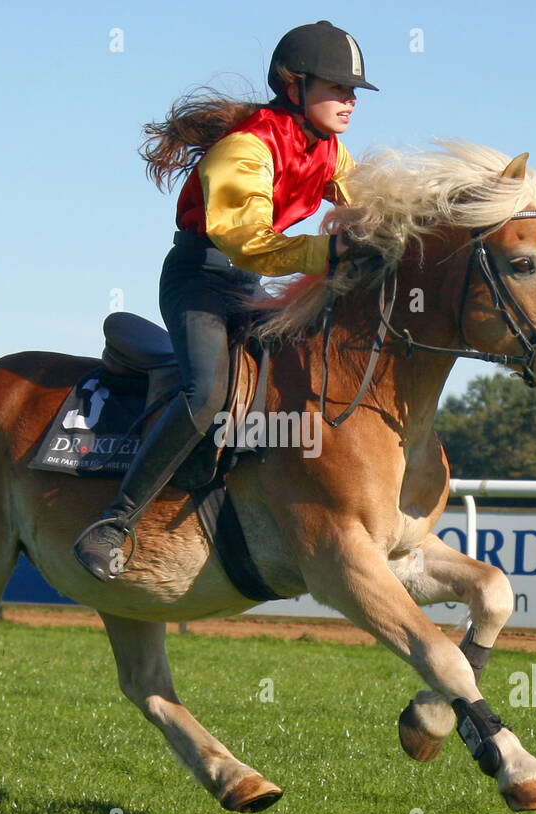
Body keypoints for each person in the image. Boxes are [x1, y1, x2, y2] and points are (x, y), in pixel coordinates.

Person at [73, 20, 378, 581]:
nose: (350, 101)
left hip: (246, 286)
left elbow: (370, 206)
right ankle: (114, 522)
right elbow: (250, 242)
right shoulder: (245, 149)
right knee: (208, 391)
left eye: (354, 91)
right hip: (201, 280)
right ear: (295, 88)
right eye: (338, 88)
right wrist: (330, 253)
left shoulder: (330, 151)